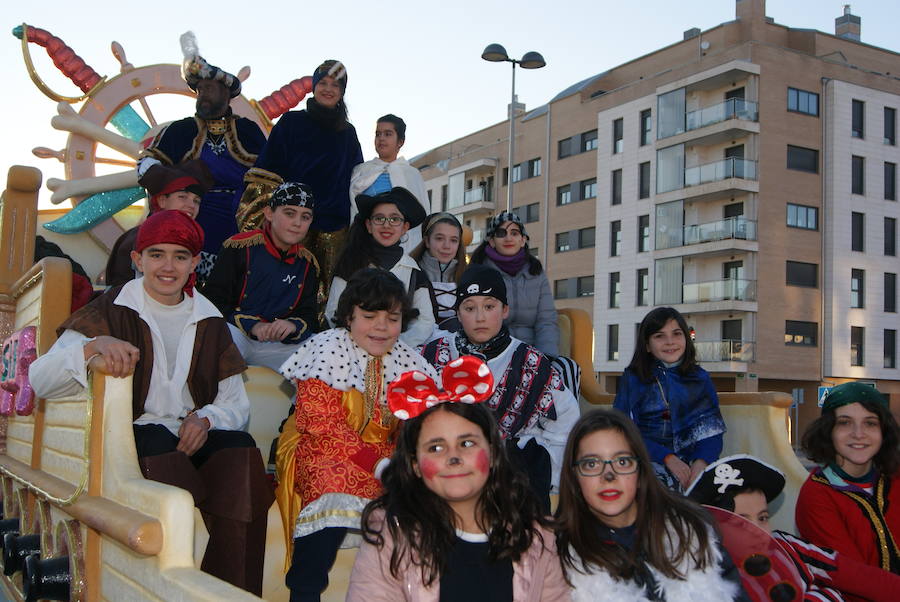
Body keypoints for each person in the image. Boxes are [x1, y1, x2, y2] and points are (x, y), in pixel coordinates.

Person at [29, 210, 273, 595]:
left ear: (194, 263)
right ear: (137, 259)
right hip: (133, 439)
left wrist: (207, 419)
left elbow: (236, 406)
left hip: (191, 434)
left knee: (241, 455)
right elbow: (39, 380)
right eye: (156, 254)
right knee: (159, 448)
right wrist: (93, 346)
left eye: (180, 256)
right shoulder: (108, 310)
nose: (167, 266)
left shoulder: (211, 320)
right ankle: (165, 586)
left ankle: (229, 591)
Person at [276, 268, 438, 601]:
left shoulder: (410, 362)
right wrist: (376, 464)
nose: (381, 326)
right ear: (349, 316)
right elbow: (319, 423)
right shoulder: (327, 348)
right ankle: (305, 590)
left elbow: (417, 427)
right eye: (369, 315)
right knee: (332, 483)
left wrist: (404, 464)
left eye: (392, 318)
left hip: (386, 456)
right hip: (320, 448)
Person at [347, 395, 569, 601]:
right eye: (435, 447)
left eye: (467, 443)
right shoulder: (391, 537)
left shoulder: (538, 539)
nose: (453, 457)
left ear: (492, 453)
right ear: (415, 465)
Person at [420, 265, 580, 511]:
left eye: (489, 306)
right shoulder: (433, 356)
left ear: (505, 310)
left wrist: (541, 464)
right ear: (458, 313)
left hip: (514, 477)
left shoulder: (532, 362)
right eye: (470, 308)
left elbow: (565, 427)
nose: (480, 317)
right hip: (447, 471)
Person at [555, 409, 749, 601]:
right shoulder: (555, 554)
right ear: (574, 476)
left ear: (640, 470)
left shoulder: (692, 532)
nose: (609, 476)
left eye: (622, 461)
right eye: (591, 464)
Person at [138, 32, 266, 283]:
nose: (203, 94)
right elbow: (147, 163)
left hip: (242, 217)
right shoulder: (180, 130)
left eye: (209, 88)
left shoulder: (249, 130)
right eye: (200, 90)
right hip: (191, 213)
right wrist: (174, 178)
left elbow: (270, 175)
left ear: (227, 94)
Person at [689, 454, 900, 601]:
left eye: (762, 517)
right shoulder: (707, 578)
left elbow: (857, 576)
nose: (756, 530)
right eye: (740, 521)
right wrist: (821, 595)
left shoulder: (787, 546)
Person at [240, 59, 363, 290]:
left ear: (342, 91)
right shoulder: (291, 122)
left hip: (333, 226)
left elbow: (358, 178)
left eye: (335, 85)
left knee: (329, 288)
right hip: (292, 221)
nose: (328, 89)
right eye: (323, 82)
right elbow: (268, 169)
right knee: (286, 284)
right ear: (315, 86)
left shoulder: (348, 133)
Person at [202, 181, 320, 372]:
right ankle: (219, 401)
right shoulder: (238, 247)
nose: (297, 223)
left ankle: (296, 403)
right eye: (289, 213)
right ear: (269, 213)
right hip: (238, 336)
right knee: (217, 337)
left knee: (321, 348)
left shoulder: (307, 263)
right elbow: (213, 302)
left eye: (305, 217)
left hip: (278, 346)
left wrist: (292, 325)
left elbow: (309, 314)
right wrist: (253, 326)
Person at [613, 306, 725, 491]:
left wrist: (701, 462)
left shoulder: (700, 378)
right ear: (647, 345)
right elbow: (623, 429)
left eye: (676, 334)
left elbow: (711, 431)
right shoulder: (633, 378)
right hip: (645, 457)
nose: (670, 342)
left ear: (686, 339)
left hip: (691, 461)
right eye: (659, 336)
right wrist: (666, 457)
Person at [796, 382, 900, 574]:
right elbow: (851, 577)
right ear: (829, 430)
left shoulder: (894, 478)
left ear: (883, 431)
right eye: (844, 423)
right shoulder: (817, 494)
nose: (858, 434)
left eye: (870, 423)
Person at [326, 187, 434, 347]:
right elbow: (333, 312)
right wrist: (363, 343)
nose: (386, 225)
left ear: (405, 227)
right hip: (352, 351)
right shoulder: (350, 265)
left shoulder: (415, 274)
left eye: (395, 219)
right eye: (379, 218)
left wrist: (392, 346)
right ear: (369, 225)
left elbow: (425, 321)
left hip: (399, 353)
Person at [106, 160, 213, 287]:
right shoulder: (138, 239)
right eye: (182, 197)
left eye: (196, 201)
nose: (191, 206)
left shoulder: (192, 240)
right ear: (162, 201)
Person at [470, 211, 558, 356]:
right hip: (491, 352)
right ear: (491, 241)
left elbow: (546, 320)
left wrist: (547, 358)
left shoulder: (536, 272)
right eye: (501, 233)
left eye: (514, 233)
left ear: (523, 240)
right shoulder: (478, 272)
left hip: (531, 352)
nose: (508, 238)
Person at [349, 114, 429, 252]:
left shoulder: (412, 174)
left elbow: (421, 216)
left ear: (400, 141)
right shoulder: (361, 170)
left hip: (401, 247)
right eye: (378, 134)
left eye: (388, 134)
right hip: (365, 244)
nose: (381, 138)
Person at [409, 212, 467, 331]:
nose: (447, 246)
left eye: (454, 240)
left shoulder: (468, 277)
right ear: (427, 241)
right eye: (439, 238)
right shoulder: (410, 272)